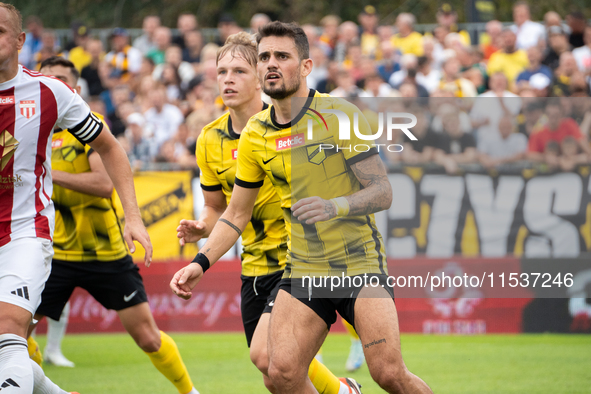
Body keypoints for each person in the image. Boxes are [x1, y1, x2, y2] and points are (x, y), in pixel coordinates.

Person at [171, 21, 433, 394]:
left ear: (306, 66)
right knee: (279, 372)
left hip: (357, 264)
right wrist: (200, 263)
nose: (271, 64)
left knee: (388, 373)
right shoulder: (255, 134)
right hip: (303, 269)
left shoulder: (339, 114)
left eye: (282, 56)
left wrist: (335, 205)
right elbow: (235, 213)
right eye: (264, 57)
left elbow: (382, 191)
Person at [177, 31, 361, 394]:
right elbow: (221, 209)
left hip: (299, 261)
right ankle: (343, 391)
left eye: (240, 71)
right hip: (254, 267)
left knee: (267, 357)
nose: (228, 79)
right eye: (222, 71)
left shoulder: (289, 126)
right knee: (275, 377)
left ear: (260, 76)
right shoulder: (209, 140)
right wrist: (202, 228)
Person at [0, 4, 151, 394]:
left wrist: (132, 216)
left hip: (24, 232)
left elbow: (110, 148)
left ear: (19, 42)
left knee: (9, 328)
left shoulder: (49, 92)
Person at [30, 56, 200, 394]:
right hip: (54, 253)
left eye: (61, 80)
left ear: (75, 90)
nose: (53, 87)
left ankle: (190, 393)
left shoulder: (87, 129)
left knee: (149, 338)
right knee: (13, 334)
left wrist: (48, 171)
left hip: (104, 253)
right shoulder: (31, 133)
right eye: (46, 81)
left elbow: (103, 184)